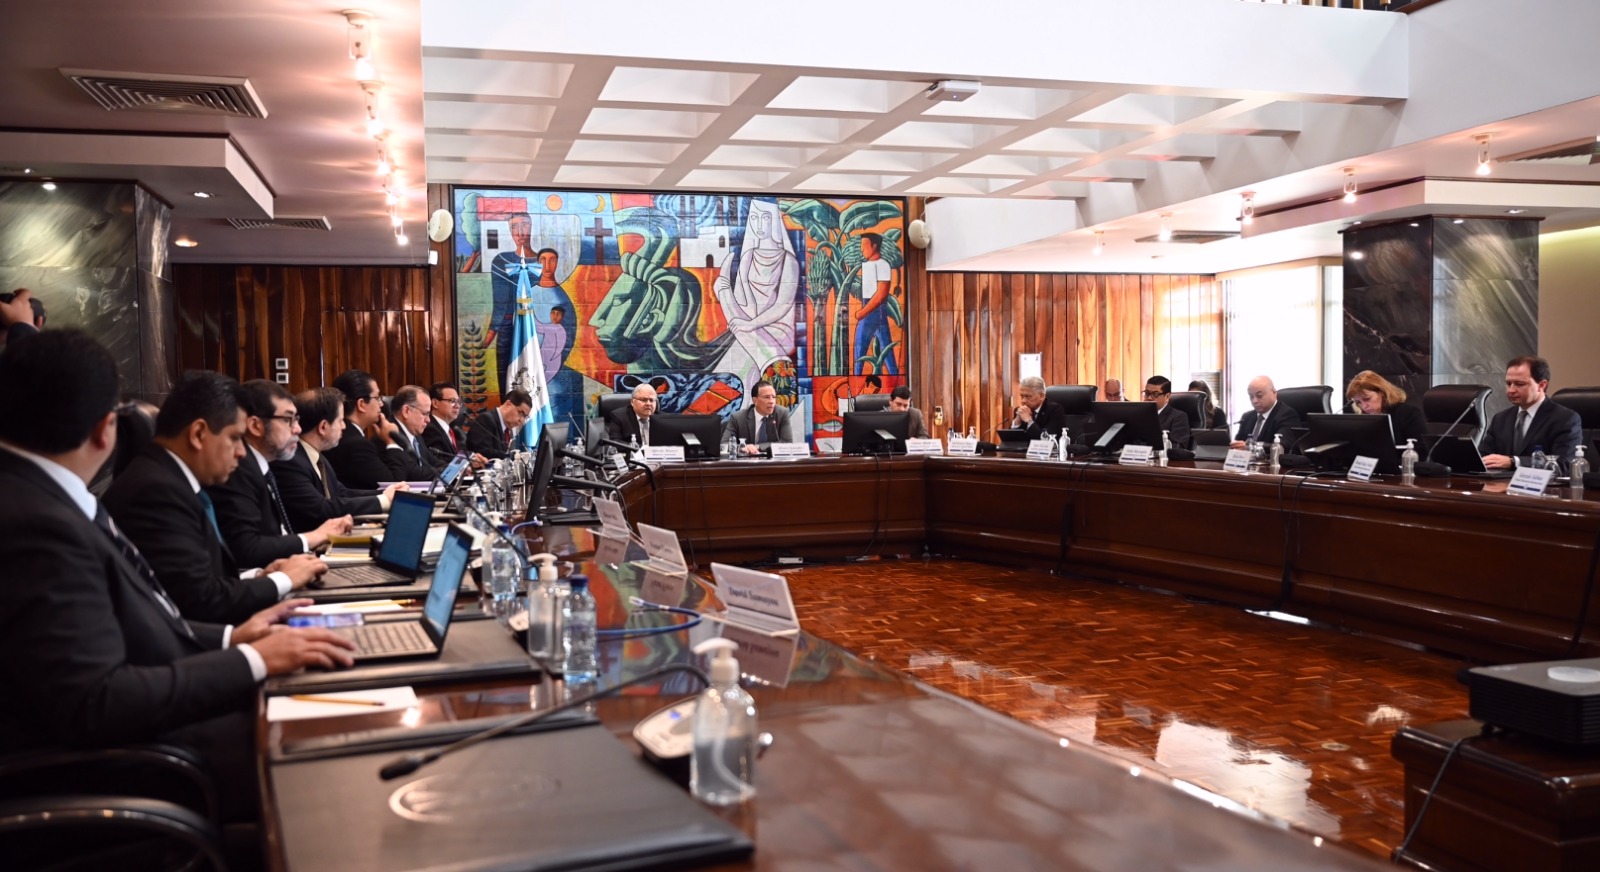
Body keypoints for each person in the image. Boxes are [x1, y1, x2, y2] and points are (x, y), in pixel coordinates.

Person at [0, 330, 354, 818]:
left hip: (144, 730)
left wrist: (232, 638)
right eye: (235, 438)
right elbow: (96, 702)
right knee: (327, 743)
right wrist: (252, 658)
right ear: (105, 429)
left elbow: (144, 621)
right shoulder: (34, 521)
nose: (240, 452)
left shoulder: (41, 497)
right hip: (121, 770)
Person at [104, 371, 326, 625]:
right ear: (198, 434)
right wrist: (284, 580)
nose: (242, 452)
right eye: (235, 438)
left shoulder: (170, 479)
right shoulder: (156, 491)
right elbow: (199, 602)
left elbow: (197, 583)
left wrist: (259, 578)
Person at [206, 379, 352, 569]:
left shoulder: (261, 467)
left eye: (296, 419)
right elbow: (246, 549)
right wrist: (314, 537)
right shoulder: (238, 469)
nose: (297, 429)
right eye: (287, 420)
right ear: (256, 426)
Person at [272, 387, 402, 531]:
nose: (344, 426)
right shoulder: (290, 462)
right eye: (340, 421)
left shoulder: (317, 456)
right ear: (323, 427)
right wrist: (383, 500)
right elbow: (321, 509)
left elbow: (340, 492)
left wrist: (388, 494)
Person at [712, 198, 800, 392]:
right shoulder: (748, 256)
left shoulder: (789, 260)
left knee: (742, 360)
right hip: (748, 324)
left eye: (765, 217)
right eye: (754, 217)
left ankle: (760, 404)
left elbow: (783, 305)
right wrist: (743, 319)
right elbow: (744, 301)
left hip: (777, 328)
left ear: (774, 220)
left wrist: (750, 324)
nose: (759, 224)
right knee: (734, 364)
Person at [1478, 355, 1584, 470]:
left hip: (1545, 481)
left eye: (1520, 384)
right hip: (1502, 481)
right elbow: (1483, 455)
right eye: (1508, 384)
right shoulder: (1501, 418)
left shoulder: (1565, 418)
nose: (1511, 390)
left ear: (1541, 385)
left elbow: (1564, 462)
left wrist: (1514, 462)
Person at [324, 369, 404, 490]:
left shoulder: (342, 434)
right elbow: (394, 485)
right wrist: (392, 442)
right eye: (377, 398)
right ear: (361, 404)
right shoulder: (357, 444)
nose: (381, 404)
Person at [853, 233, 898, 375]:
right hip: (870, 308)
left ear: (874, 246)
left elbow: (881, 294)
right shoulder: (866, 265)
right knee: (885, 350)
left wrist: (863, 312)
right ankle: (894, 378)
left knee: (860, 349)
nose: (861, 249)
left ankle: (857, 380)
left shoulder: (883, 265)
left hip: (874, 310)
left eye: (864, 246)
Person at [1346, 370, 1428, 447]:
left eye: (1367, 399)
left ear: (1382, 392)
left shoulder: (1409, 414)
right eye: (1358, 402)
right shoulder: (1361, 420)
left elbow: (1420, 451)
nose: (1364, 406)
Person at [385, 385, 440, 480]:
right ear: (406, 411)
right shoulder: (390, 434)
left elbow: (433, 461)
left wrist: (456, 468)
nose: (428, 420)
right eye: (425, 414)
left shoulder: (415, 434)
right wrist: (446, 472)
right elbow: (414, 473)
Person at [722, 380, 793, 454]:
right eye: (766, 397)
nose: (772, 401)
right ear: (755, 400)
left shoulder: (782, 414)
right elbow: (724, 444)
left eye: (774, 397)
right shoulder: (738, 418)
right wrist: (743, 448)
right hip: (747, 460)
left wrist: (757, 447)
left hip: (773, 460)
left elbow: (787, 443)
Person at [1231, 376, 1302, 450]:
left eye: (1259, 396)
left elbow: (1281, 446)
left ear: (1274, 393)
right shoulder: (1247, 417)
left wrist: (1250, 447)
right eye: (1251, 396)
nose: (1254, 401)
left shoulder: (1287, 415)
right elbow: (1238, 445)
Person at [465, 389, 532, 459]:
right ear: (508, 405)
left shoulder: (506, 429)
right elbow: (482, 453)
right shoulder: (485, 420)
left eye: (525, 416)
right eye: (521, 413)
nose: (521, 420)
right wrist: (512, 456)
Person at [1142, 376, 1193, 451]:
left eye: (1155, 394)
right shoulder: (1139, 414)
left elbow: (1177, 447)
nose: (1149, 398)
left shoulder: (1178, 417)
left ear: (1167, 396)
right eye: (1147, 393)